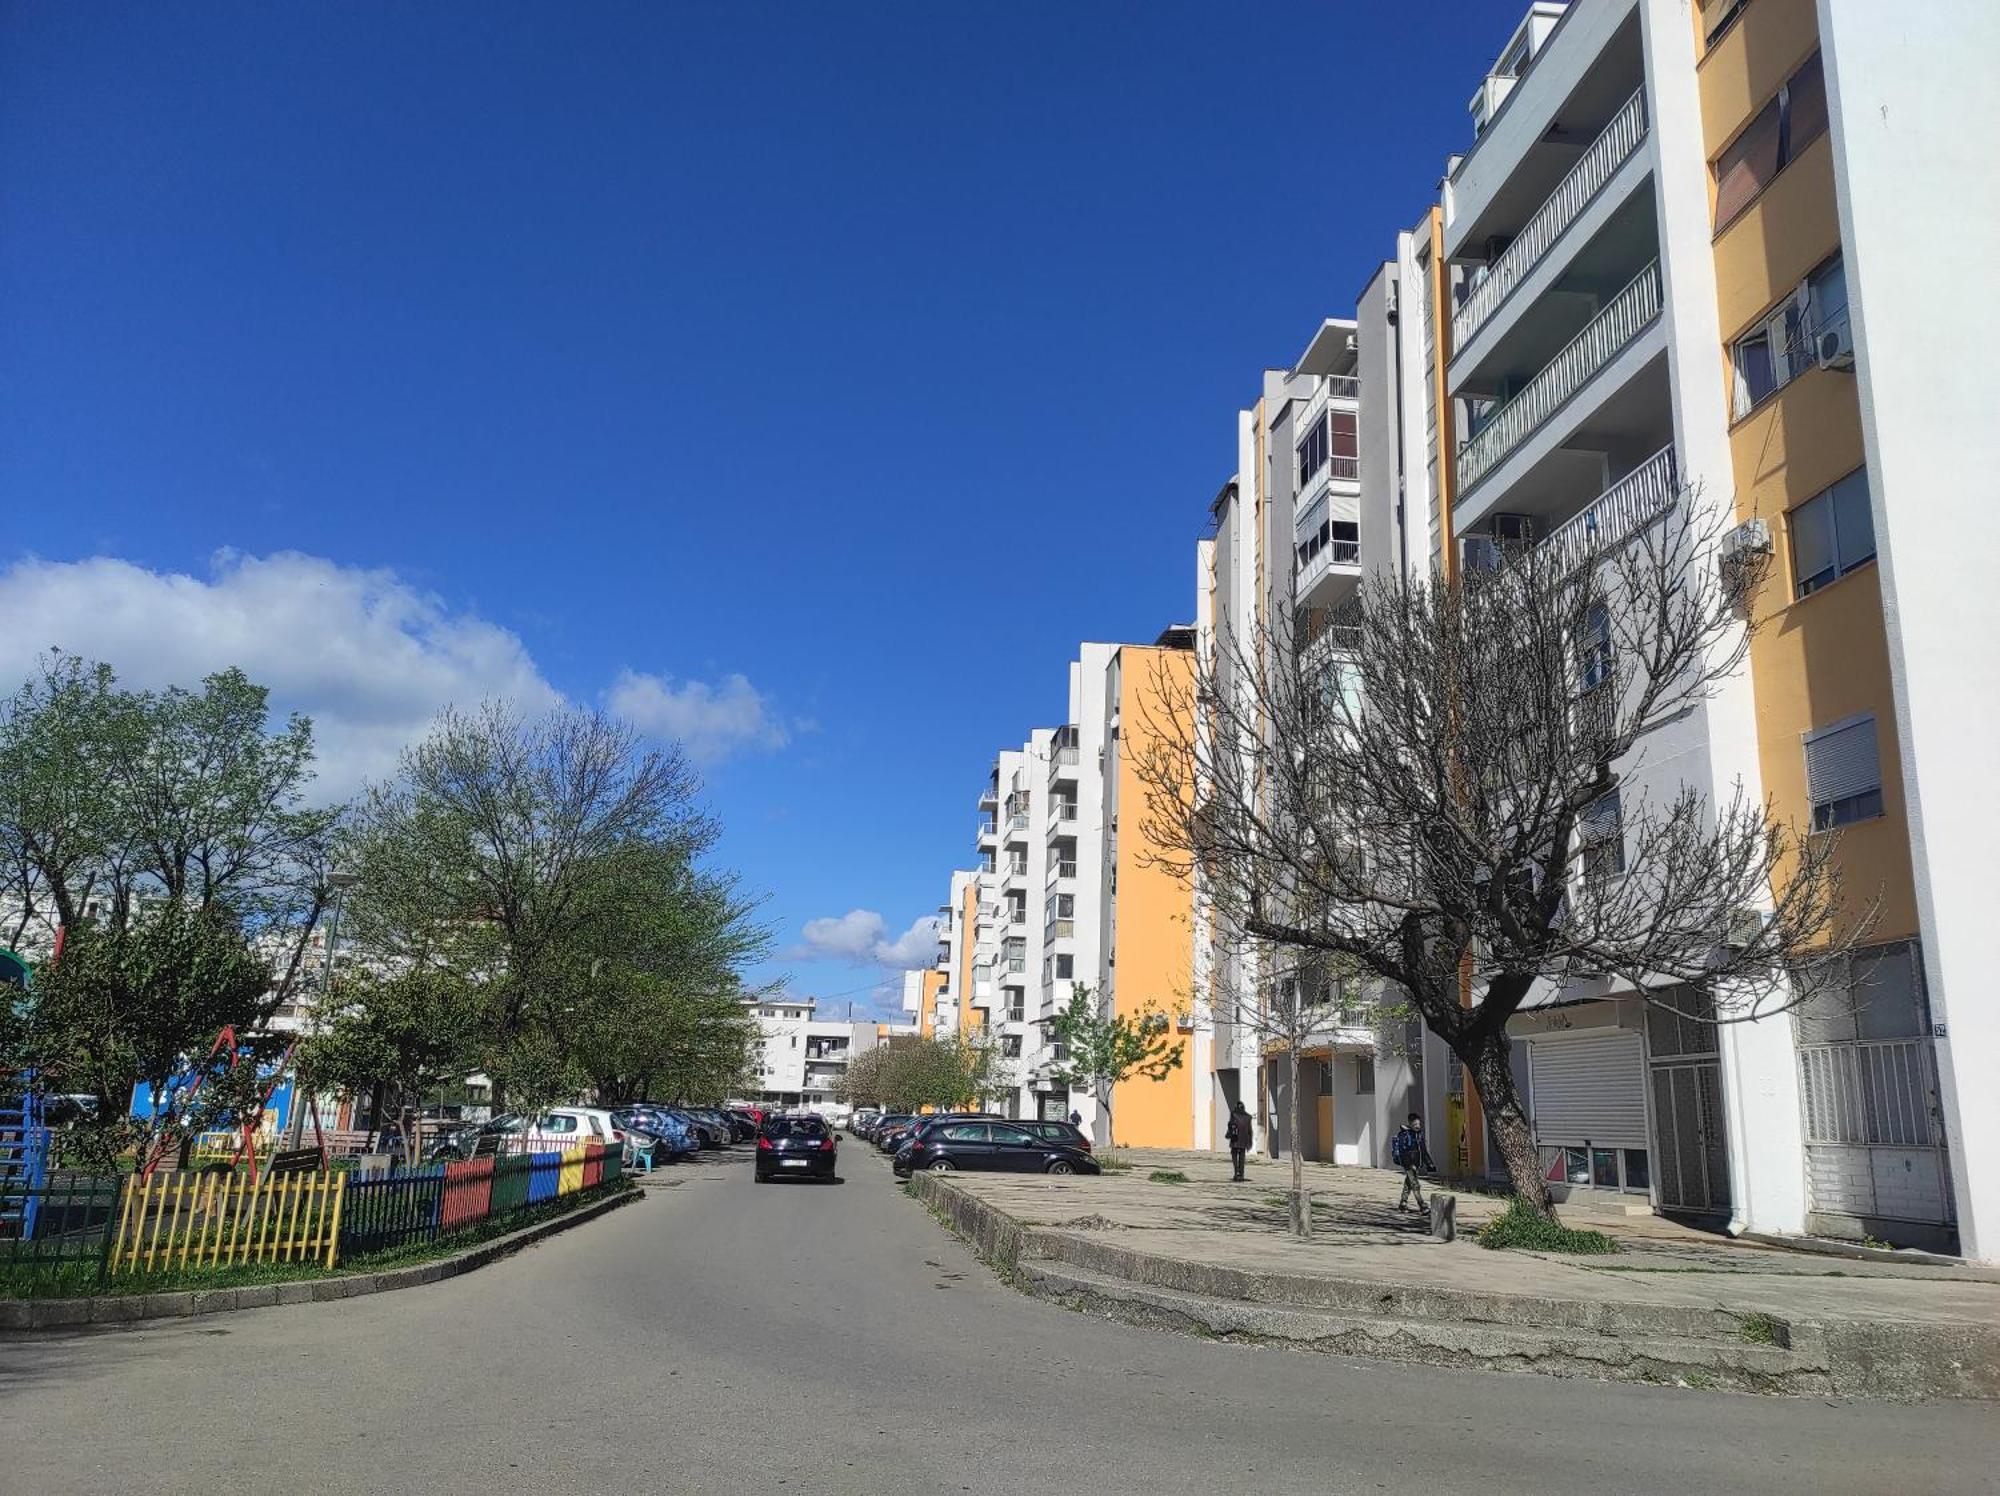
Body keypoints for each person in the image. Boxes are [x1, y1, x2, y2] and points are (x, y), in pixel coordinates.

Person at [1391, 1112, 1436, 1213]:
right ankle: (1422, 1205)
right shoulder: (1406, 1135)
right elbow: (1403, 1152)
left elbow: (1423, 1150)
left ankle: (1403, 1203)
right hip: (1409, 1165)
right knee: (1415, 1185)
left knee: (1408, 1183)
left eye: (1419, 1124)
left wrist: (1430, 1163)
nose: (1417, 1126)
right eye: (1415, 1124)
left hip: (1417, 1164)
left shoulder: (1419, 1135)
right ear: (1410, 1124)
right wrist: (1410, 1164)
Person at [1224, 1101, 1253, 1181]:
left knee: (1234, 1155)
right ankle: (1241, 1173)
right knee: (1242, 1156)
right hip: (1244, 1139)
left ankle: (1236, 1172)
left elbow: (1231, 1125)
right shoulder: (1248, 1117)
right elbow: (1250, 1130)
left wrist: (1228, 1134)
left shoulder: (1234, 1114)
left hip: (1235, 1138)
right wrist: (1250, 1141)